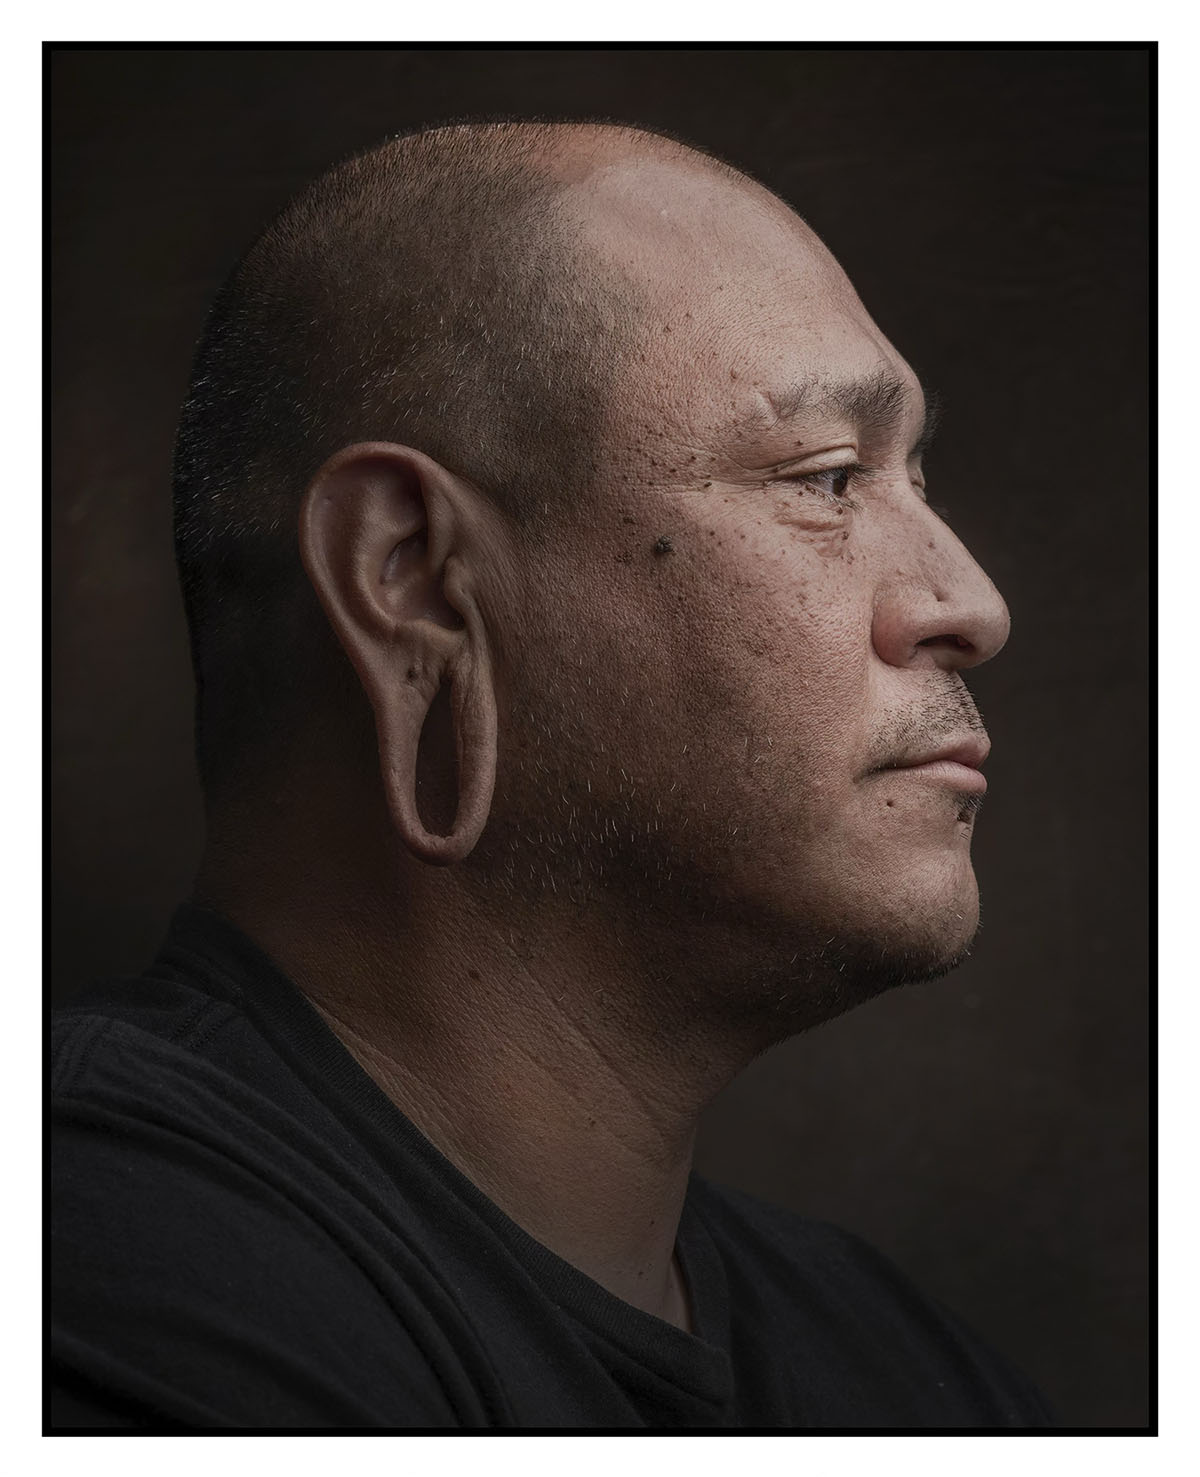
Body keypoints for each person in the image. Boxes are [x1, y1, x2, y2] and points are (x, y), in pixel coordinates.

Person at [50, 119, 1052, 1429]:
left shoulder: (907, 1375)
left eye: (916, 475)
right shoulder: (94, 1257)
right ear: (411, 582)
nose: (969, 604)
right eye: (826, 477)